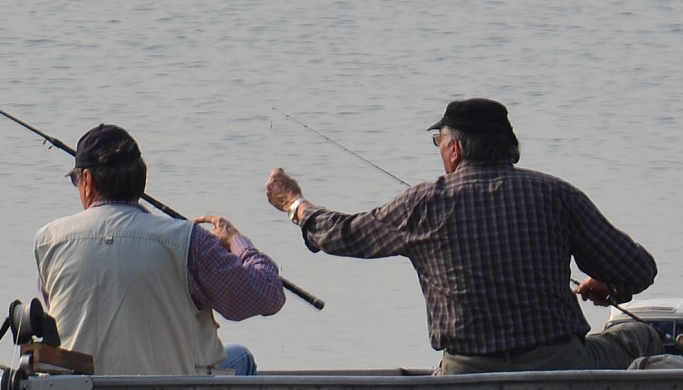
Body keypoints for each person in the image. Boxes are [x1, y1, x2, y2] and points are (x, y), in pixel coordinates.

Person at [264, 98, 662, 373]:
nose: (439, 150)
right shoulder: (557, 195)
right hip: (560, 363)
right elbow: (639, 270)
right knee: (642, 334)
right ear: (511, 149)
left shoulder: (423, 204)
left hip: (466, 370)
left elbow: (343, 235)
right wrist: (609, 286)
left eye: (439, 141)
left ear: (454, 149)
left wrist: (295, 205)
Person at [35, 124, 286, 376]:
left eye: (75, 180)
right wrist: (235, 241)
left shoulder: (49, 241)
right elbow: (268, 295)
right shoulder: (187, 240)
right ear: (140, 179)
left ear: (87, 181)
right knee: (240, 357)